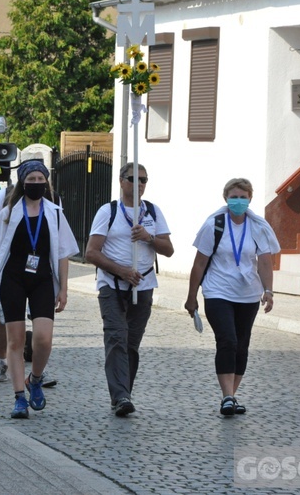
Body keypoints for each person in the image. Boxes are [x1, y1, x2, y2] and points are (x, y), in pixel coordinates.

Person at [0, 160, 78, 419]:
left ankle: (34, 378)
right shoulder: (9, 212)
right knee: (16, 340)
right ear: (23, 183)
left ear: (46, 182)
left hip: (42, 280)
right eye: (31, 179)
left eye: (39, 179)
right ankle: (19, 397)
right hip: (13, 279)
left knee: (43, 339)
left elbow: (63, 254)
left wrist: (64, 289)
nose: (36, 184)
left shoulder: (55, 212)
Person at [85, 163, 174, 417]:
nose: (140, 184)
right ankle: (121, 395)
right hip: (112, 284)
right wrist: (121, 271)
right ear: (122, 181)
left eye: (144, 179)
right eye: (134, 179)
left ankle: (124, 392)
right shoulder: (108, 211)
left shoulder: (153, 212)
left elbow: (168, 250)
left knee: (131, 343)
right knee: (116, 337)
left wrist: (148, 238)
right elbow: (91, 252)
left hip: (144, 285)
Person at [184, 178, 279, 416]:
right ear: (226, 199)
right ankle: (226, 396)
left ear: (250, 199)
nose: (238, 201)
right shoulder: (214, 225)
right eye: (234, 197)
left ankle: (231, 397)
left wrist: (268, 291)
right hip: (218, 291)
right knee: (228, 340)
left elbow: (265, 262)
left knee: (242, 345)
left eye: (243, 196)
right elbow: (200, 263)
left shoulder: (258, 227)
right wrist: (191, 296)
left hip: (248, 294)